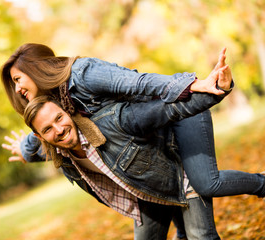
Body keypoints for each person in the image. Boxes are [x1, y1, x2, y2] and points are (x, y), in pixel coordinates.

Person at [0, 43, 265, 200]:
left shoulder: (83, 74)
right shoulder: (57, 104)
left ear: (35, 68)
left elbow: (140, 83)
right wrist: (25, 151)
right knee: (155, 188)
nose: (18, 89)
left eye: (17, 79)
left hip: (178, 111)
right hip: (152, 140)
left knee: (207, 184)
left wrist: (197, 85)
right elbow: (55, 139)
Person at [16, 90, 231, 239]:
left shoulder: (109, 124)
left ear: (67, 111)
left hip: (181, 176)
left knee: (201, 236)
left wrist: (214, 91)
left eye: (59, 118)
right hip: (148, 193)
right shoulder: (62, 155)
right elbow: (41, 151)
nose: (59, 129)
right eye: (47, 129)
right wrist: (25, 153)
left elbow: (166, 110)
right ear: (40, 136)